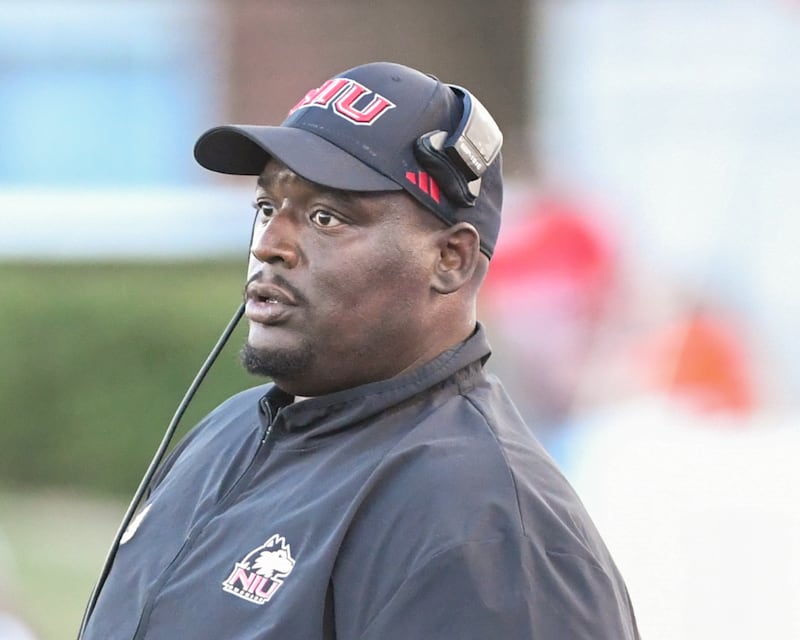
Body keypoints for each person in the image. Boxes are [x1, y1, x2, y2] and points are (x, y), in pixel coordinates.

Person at [80, 61, 640, 639]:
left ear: (450, 259)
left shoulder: (486, 535)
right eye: (267, 208)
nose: (270, 246)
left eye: (326, 217)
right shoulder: (228, 432)